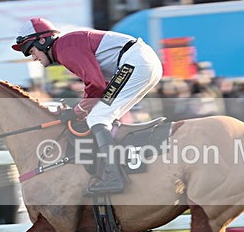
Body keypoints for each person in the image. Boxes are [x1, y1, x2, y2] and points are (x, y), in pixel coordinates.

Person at [11, 17, 163, 194]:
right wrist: (80, 110)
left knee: (98, 117)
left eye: (31, 51)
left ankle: (114, 176)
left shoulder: (64, 48)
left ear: (43, 40)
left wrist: (78, 110)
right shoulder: (66, 49)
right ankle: (119, 165)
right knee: (103, 116)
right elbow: (100, 87)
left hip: (137, 62)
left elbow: (97, 86)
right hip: (142, 61)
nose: (33, 58)